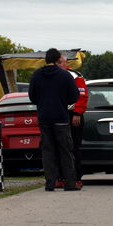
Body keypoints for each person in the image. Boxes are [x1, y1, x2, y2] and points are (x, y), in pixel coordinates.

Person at [29, 48, 80, 191]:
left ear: (46, 59)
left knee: (48, 151)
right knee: (66, 151)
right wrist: (63, 101)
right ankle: (69, 183)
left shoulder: (37, 75)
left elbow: (32, 97)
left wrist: (42, 102)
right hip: (61, 117)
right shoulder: (65, 75)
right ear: (58, 60)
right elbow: (74, 96)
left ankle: (50, 183)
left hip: (44, 117)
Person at [55, 56, 89, 189]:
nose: (58, 65)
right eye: (56, 63)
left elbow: (82, 95)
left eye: (60, 63)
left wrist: (77, 113)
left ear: (66, 63)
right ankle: (60, 178)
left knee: (73, 147)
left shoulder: (75, 76)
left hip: (73, 115)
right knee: (58, 147)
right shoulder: (52, 75)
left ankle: (76, 178)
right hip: (58, 114)